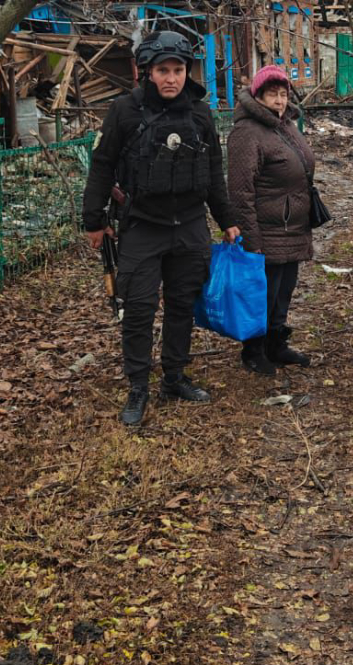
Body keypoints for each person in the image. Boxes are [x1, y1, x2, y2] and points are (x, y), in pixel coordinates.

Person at [82, 29, 239, 425]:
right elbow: (102, 166)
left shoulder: (200, 114)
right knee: (138, 308)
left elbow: (213, 173)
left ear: (188, 71)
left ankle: (174, 377)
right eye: (163, 70)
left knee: (182, 305)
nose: (171, 78)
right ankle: (138, 385)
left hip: (189, 225)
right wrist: (94, 221)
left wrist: (228, 220)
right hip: (142, 226)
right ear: (147, 72)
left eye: (178, 70)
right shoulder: (125, 111)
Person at [226, 65, 315, 375]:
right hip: (265, 229)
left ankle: (276, 344)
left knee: (284, 290)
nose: (279, 100)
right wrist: (251, 240)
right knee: (263, 293)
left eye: (283, 94)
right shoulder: (247, 132)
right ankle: (253, 351)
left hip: (291, 225)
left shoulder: (285, 125)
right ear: (258, 96)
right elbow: (240, 190)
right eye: (272, 94)